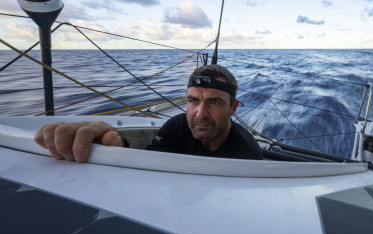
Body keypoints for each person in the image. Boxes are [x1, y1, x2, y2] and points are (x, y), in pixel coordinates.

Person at [34, 64, 263, 162]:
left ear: (232, 108)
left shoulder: (246, 153)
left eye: (214, 102)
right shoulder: (177, 125)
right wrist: (119, 147)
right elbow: (151, 160)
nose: (200, 113)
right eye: (193, 101)